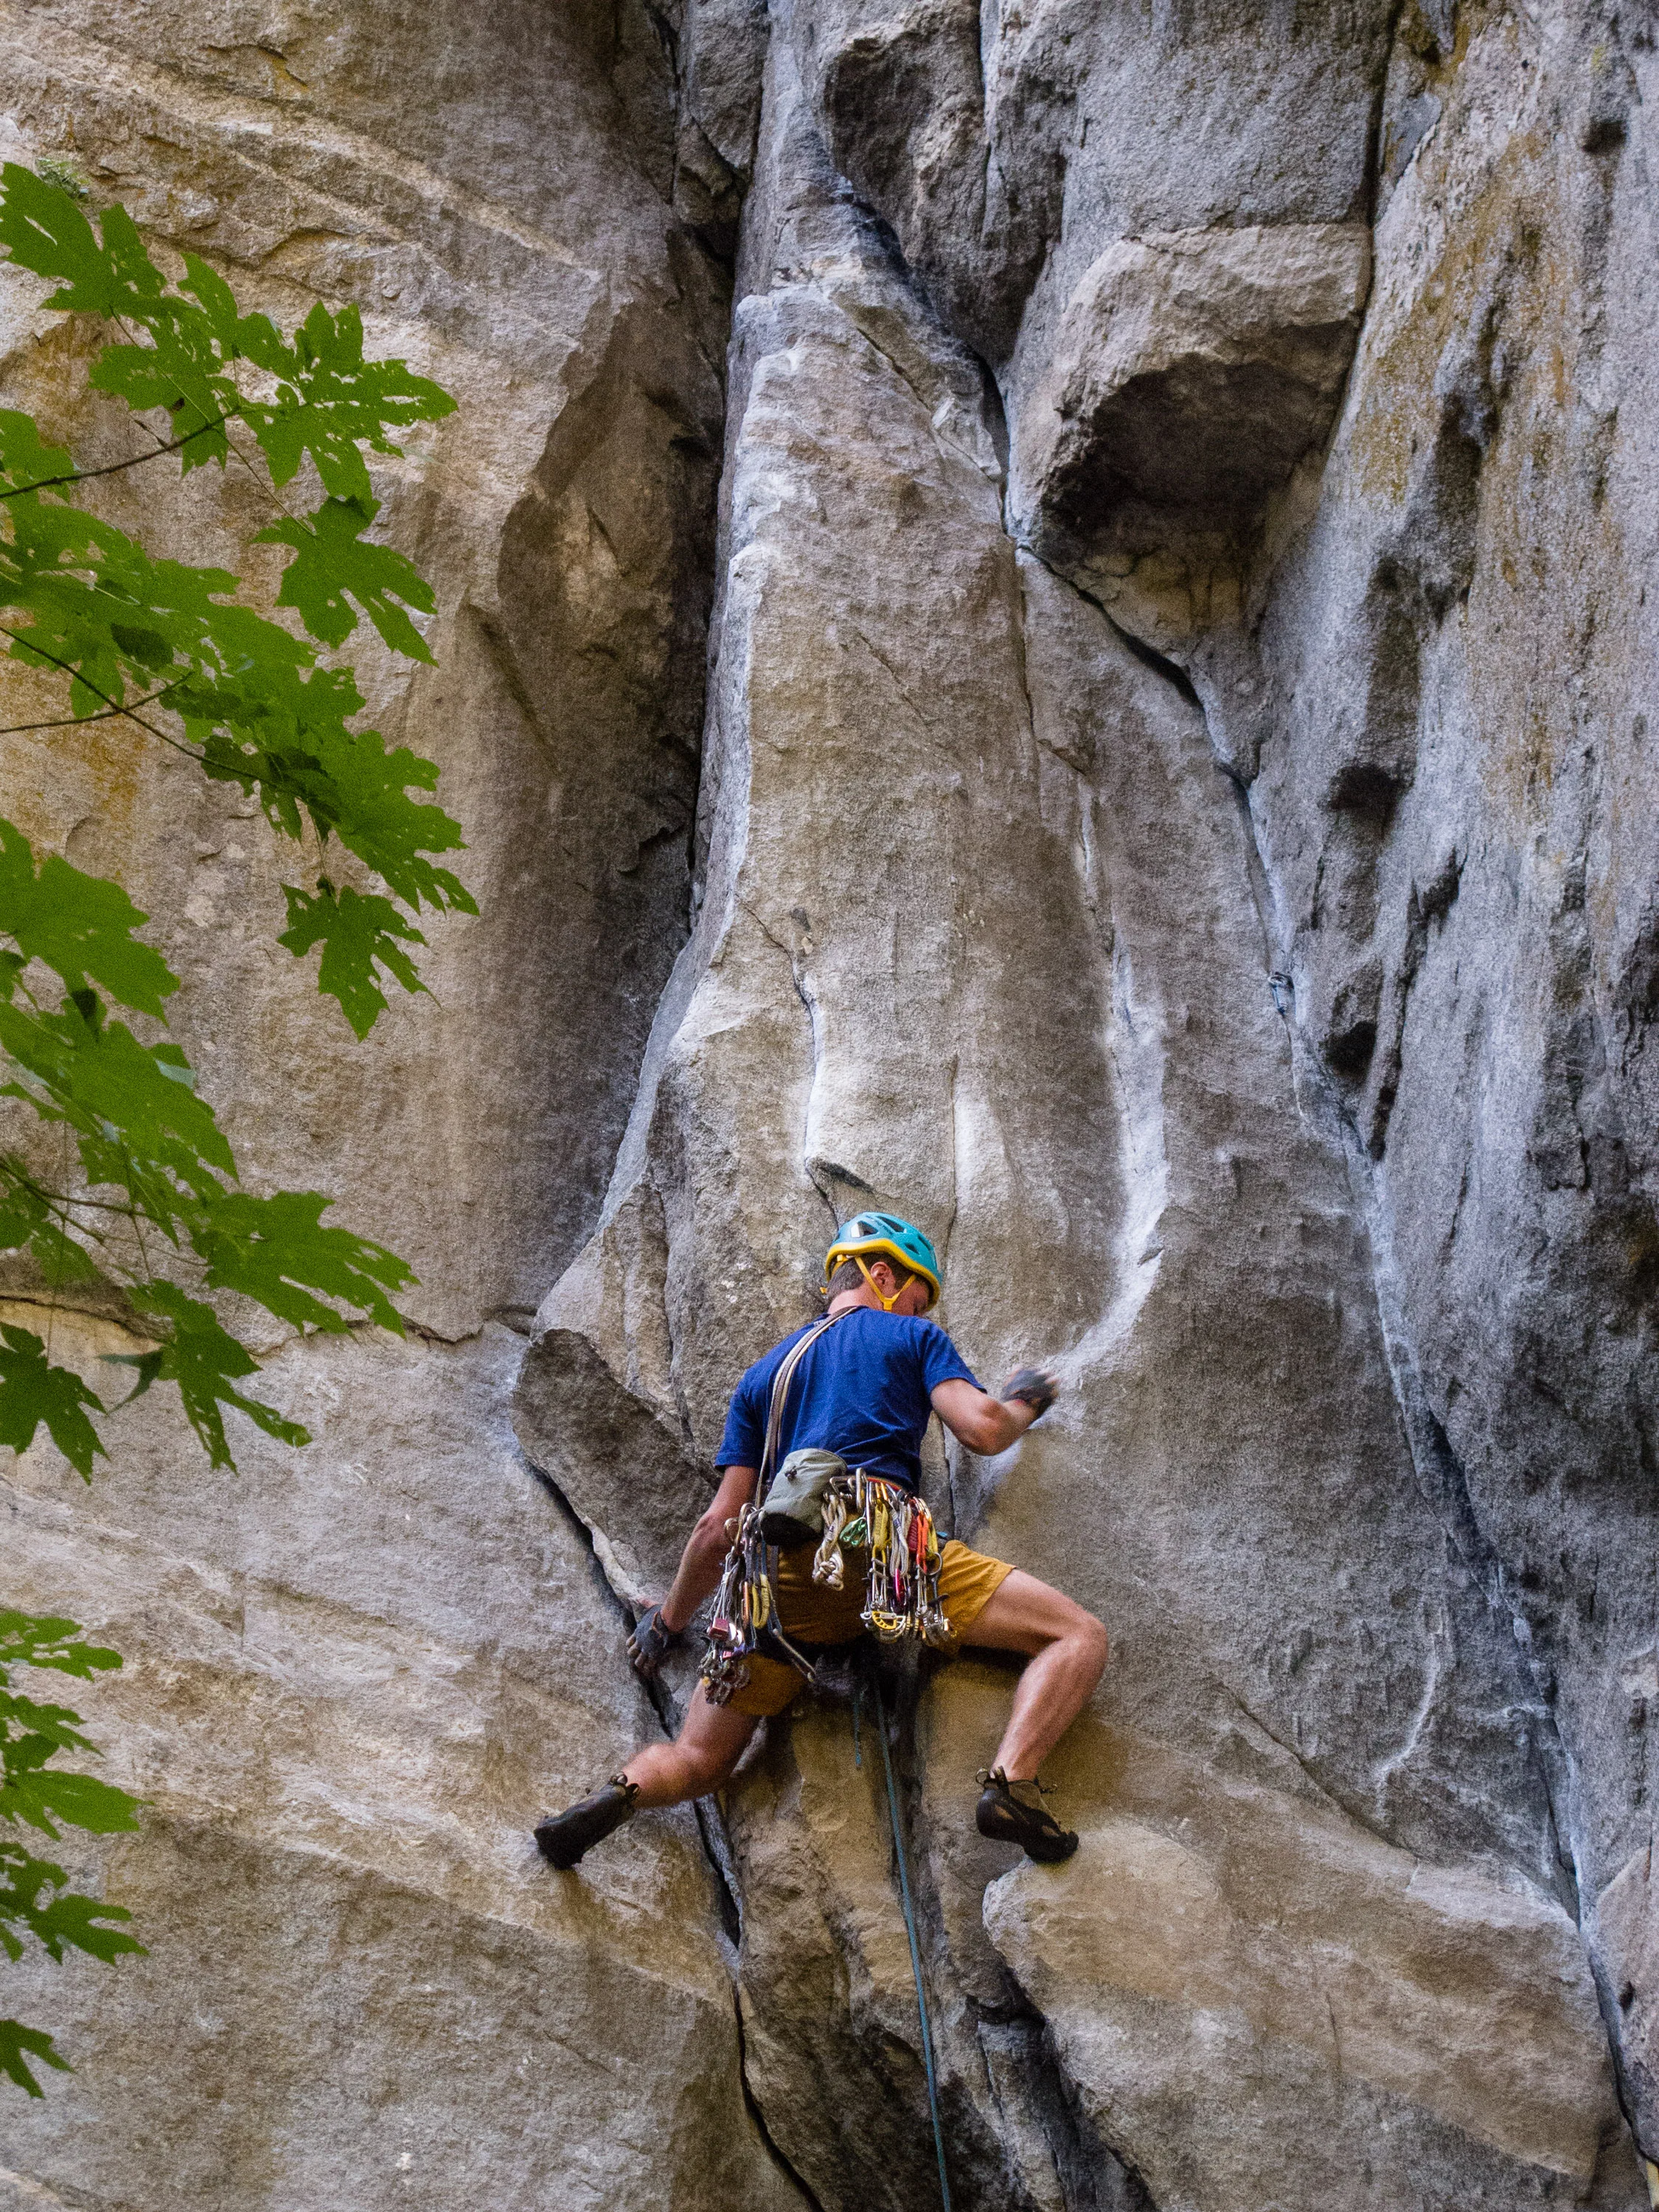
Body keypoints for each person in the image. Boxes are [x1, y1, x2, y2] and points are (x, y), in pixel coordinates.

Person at [533, 1211, 1107, 1871]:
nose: (922, 1311)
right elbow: (981, 1430)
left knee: (699, 1759)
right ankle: (1013, 1786)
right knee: (1078, 1636)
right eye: (918, 1297)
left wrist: (665, 1625)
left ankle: (618, 1796)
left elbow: (717, 1526)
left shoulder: (763, 1377)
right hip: (872, 1549)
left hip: (774, 1592)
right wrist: (1022, 1404)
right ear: (883, 1276)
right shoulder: (911, 1336)